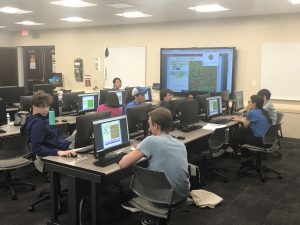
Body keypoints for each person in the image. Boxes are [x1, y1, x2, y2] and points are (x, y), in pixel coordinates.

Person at [119, 107, 190, 206]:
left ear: (156, 126)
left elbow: (123, 164)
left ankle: (139, 208)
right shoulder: (181, 144)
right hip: (182, 196)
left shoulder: (151, 140)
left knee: (136, 172)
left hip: (163, 200)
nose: (149, 129)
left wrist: (138, 149)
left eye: (149, 125)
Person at [21, 90, 77, 157]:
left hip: (60, 145)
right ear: (34, 106)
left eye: (47, 106)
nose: (46, 110)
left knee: (77, 135)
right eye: (42, 106)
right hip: (55, 152)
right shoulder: (38, 123)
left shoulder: (33, 118)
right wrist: (59, 152)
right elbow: (37, 149)